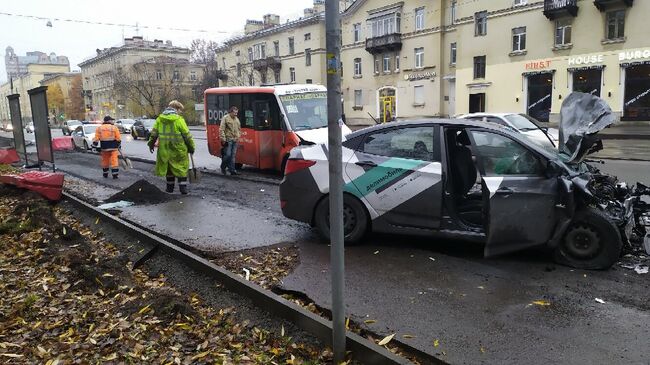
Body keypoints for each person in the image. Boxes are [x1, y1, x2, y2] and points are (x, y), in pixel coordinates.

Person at [147, 100, 195, 194]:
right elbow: (187, 136)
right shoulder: (179, 120)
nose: (181, 112)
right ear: (176, 109)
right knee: (181, 168)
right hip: (179, 149)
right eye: (180, 110)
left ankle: (169, 189)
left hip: (164, 150)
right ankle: (183, 189)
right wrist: (191, 147)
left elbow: (153, 135)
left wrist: (151, 145)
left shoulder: (159, 120)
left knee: (169, 169)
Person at [219, 106, 241, 175]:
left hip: (235, 140)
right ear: (231, 112)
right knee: (228, 155)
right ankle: (223, 167)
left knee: (233, 156)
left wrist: (238, 136)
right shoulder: (225, 118)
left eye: (236, 113)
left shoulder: (237, 119)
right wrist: (223, 139)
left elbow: (239, 129)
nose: (236, 114)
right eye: (234, 113)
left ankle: (232, 170)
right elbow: (221, 129)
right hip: (228, 140)